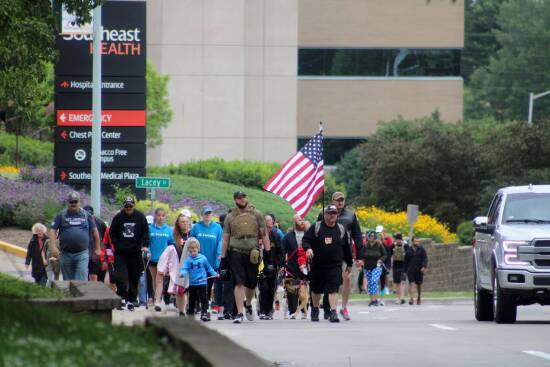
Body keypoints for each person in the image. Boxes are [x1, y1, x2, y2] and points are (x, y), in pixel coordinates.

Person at [220, 191, 271, 324]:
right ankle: (239, 313)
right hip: (235, 253)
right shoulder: (230, 217)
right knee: (239, 282)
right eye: (239, 198)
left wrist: (268, 254)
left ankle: (248, 304)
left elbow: (264, 235)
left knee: (252, 283)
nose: (242, 200)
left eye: (243, 197)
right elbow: (225, 239)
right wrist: (223, 258)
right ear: (235, 200)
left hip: (253, 253)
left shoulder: (257, 214)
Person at [317, 192, 363, 321]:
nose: (340, 202)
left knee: (346, 278)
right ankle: (329, 308)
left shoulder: (351, 215)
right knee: (330, 281)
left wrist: (359, 256)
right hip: (327, 252)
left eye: (342, 200)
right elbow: (317, 231)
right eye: (337, 200)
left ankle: (343, 307)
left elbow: (357, 235)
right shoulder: (323, 213)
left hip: (345, 252)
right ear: (332, 201)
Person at [305, 205, 353, 323]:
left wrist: (349, 263)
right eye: (330, 213)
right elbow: (306, 240)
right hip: (317, 265)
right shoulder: (316, 227)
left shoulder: (341, 229)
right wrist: (308, 249)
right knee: (316, 290)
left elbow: (347, 248)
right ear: (325, 215)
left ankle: (333, 312)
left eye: (334, 213)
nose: (332, 215)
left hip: (335, 266)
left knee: (333, 289)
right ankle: (315, 309)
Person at [109, 196, 150, 311]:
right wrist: (117, 244)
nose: (128, 208)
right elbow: (112, 233)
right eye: (126, 206)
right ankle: (122, 297)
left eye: (130, 205)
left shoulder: (140, 217)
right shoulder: (118, 217)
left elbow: (145, 232)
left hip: (135, 252)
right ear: (123, 206)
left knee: (134, 278)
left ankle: (131, 300)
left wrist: (145, 245)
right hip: (121, 252)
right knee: (121, 276)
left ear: (134, 205)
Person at [50, 192, 100, 281]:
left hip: (82, 254)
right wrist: (53, 247)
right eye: (71, 202)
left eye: (75, 202)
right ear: (67, 203)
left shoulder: (86, 215)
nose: (73, 204)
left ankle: (80, 295)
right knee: (68, 282)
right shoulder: (61, 215)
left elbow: (95, 231)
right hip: (65, 254)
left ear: (79, 202)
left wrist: (97, 248)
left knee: (81, 281)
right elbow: (52, 230)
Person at [190, 206, 223, 312]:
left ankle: (205, 303)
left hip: (212, 261)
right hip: (198, 262)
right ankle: (197, 303)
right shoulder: (196, 227)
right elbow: (191, 241)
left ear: (212, 215)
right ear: (202, 215)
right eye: (206, 213)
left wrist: (219, 255)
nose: (207, 215)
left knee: (208, 285)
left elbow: (220, 242)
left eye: (209, 213)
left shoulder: (217, 228)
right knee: (198, 283)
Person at [179, 238, 218, 321]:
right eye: (191, 251)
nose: (193, 252)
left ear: (198, 249)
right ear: (188, 250)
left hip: (202, 283)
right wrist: (182, 273)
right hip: (193, 283)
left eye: (194, 250)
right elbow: (184, 268)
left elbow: (209, 268)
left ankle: (204, 313)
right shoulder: (188, 260)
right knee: (192, 299)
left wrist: (215, 274)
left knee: (203, 298)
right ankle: (191, 313)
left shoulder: (203, 258)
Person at [155, 227, 190, 316]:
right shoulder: (171, 248)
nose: (183, 241)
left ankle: (182, 310)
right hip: (174, 273)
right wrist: (162, 270)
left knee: (183, 291)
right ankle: (160, 301)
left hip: (185, 273)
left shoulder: (191, 248)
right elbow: (164, 259)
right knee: (179, 291)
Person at [282, 215, 310, 319]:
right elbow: (282, 251)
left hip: (305, 267)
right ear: (294, 222)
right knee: (292, 289)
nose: (302, 222)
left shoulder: (308, 235)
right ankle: (292, 310)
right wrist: (282, 264)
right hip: (292, 267)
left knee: (304, 289)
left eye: (303, 220)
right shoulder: (288, 236)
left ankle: (304, 310)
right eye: (299, 220)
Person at [258, 213, 285, 320]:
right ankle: (262, 310)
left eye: (270, 221)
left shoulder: (276, 235)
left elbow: (280, 251)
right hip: (260, 265)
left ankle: (269, 310)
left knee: (271, 289)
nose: (270, 223)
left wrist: (280, 264)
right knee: (263, 288)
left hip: (273, 265)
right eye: (267, 221)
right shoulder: (259, 234)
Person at [149, 208, 175, 310]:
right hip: (152, 258)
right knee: (155, 280)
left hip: (163, 260)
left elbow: (171, 244)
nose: (160, 217)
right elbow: (146, 241)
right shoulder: (150, 228)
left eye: (162, 215)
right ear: (155, 216)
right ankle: (157, 297)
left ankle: (158, 300)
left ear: (165, 217)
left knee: (159, 280)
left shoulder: (168, 230)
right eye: (158, 215)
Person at [357, 231, 387, 306]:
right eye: (370, 236)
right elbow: (362, 255)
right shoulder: (365, 245)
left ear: (375, 237)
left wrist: (381, 260)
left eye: (373, 236)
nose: (372, 238)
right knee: (370, 283)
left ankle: (375, 299)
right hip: (367, 266)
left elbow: (385, 254)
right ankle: (372, 300)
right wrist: (360, 261)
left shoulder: (379, 245)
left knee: (374, 280)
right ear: (368, 237)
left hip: (377, 266)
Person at [83, 205, 107, 282]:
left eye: (90, 215)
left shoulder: (100, 223)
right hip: (83, 253)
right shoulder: (80, 222)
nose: (89, 217)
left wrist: (104, 259)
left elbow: (104, 241)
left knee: (95, 278)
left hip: (96, 255)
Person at [404, 237, 428, 305]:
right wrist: (404, 271)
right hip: (410, 270)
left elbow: (425, 258)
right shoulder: (408, 250)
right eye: (415, 241)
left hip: (419, 270)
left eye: (418, 241)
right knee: (412, 283)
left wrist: (424, 266)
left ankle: (419, 297)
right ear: (412, 242)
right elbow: (405, 261)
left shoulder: (422, 249)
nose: (417, 243)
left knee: (419, 285)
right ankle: (411, 299)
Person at [391, 233, 409, 305]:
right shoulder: (393, 246)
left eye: (400, 239)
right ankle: (399, 298)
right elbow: (388, 254)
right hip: (395, 266)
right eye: (397, 239)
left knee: (402, 282)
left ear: (402, 239)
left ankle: (402, 298)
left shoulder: (406, 246)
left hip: (404, 267)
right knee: (397, 283)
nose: (398, 241)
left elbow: (409, 256)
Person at [376, 225, 393, 300]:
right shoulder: (376, 239)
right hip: (378, 259)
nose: (379, 234)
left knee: (385, 275)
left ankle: (386, 288)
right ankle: (378, 289)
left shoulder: (388, 238)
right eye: (378, 232)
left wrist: (382, 240)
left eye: (380, 232)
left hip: (387, 260)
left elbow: (389, 246)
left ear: (383, 231)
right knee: (377, 275)